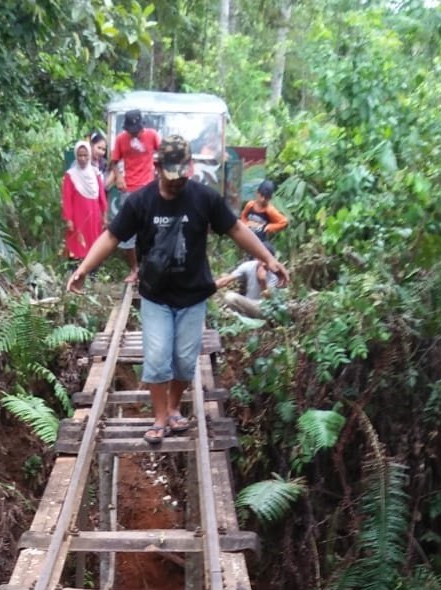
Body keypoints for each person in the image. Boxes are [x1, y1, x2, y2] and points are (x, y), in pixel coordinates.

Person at [67, 136, 289, 445]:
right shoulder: (140, 201)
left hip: (193, 295)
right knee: (158, 359)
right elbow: (111, 236)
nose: (176, 184)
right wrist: (83, 269)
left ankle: (173, 407)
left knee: (185, 362)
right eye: (171, 178)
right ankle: (159, 417)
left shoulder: (204, 198)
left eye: (182, 177)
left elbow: (237, 229)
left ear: (190, 168)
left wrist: (268, 258)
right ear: (157, 167)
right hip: (156, 296)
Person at [109, 108, 161, 279]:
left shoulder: (152, 135)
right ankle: (134, 269)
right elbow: (114, 161)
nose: (134, 133)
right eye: (131, 131)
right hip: (129, 190)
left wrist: (159, 174)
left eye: (136, 130)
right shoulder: (121, 139)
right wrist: (118, 177)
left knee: (152, 229)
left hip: (149, 188)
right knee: (127, 232)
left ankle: (151, 267)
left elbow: (163, 154)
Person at [61, 139, 107, 264]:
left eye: (85, 155)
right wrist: (69, 219)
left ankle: (92, 269)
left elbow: (101, 195)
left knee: (94, 240)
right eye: (80, 155)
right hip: (78, 215)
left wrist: (104, 214)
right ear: (76, 155)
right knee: (77, 240)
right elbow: (67, 198)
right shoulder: (70, 175)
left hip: (94, 214)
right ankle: (74, 268)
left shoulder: (95, 173)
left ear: (89, 155)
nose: (82, 158)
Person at [240, 179, 289, 244]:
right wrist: (245, 224)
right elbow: (243, 215)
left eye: (266, 198)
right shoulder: (250, 205)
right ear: (257, 193)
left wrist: (269, 227)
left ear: (269, 198)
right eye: (262, 196)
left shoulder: (269, 210)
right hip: (247, 238)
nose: (263, 199)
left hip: (261, 242)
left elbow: (284, 222)